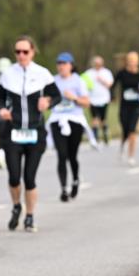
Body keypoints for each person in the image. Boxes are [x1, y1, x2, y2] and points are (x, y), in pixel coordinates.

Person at [0, 36, 61, 233]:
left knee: (29, 178)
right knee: (14, 176)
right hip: (13, 132)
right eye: (18, 52)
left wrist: (48, 102)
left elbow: (57, 95)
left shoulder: (42, 74)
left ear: (32, 52)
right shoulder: (8, 75)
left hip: (35, 132)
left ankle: (30, 216)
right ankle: (17, 206)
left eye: (25, 52)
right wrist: (2, 110)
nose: (21, 55)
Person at [48, 52, 91, 201]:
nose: (61, 66)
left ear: (71, 66)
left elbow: (86, 102)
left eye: (64, 64)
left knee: (72, 155)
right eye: (59, 63)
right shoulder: (53, 81)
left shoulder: (78, 81)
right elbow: (47, 100)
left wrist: (74, 98)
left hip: (75, 120)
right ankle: (63, 189)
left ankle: (75, 180)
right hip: (57, 120)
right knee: (61, 154)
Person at [112, 51, 139, 166]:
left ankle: (131, 156)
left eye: (134, 61)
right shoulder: (122, 73)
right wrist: (112, 96)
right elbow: (113, 85)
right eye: (130, 61)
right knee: (125, 131)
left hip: (135, 107)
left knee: (132, 131)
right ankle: (122, 147)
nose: (132, 63)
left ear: (137, 62)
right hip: (124, 106)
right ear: (127, 61)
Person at [82, 55, 114, 146]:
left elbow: (110, 85)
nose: (97, 65)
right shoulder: (88, 73)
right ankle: (95, 138)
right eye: (96, 63)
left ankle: (105, 135)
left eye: (99, 63)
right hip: (92, 100)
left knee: (103, 119)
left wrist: (101, 80)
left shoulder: (106, 72)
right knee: (95, 119)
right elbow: (83, 84)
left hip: (104, 99)